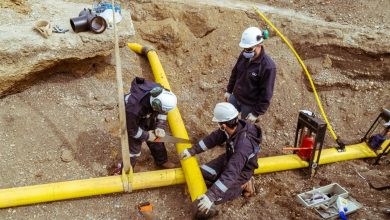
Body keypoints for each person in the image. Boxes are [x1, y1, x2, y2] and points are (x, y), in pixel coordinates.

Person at [180, 102, 262, 218]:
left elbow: (231, 173)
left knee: (211, 200)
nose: (219, 127)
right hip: (229, 159)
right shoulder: (234, 127)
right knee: (201, 172)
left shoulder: (243, 145)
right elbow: (213, 138)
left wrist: (211, 196)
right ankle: (220, 183)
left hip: (241, 171)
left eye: (219, 124)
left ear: (223, 125)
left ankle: (245, 184)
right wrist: (192, 151)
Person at [224, 26, 276, 123]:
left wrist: (256, 113)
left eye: (249, 48)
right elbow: (235, 73)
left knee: (244, 129)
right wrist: (229, 91)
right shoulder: (244, 55)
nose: (246, 51)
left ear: (259, 45)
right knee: (228, 121)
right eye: (245, 48)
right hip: (236, 97)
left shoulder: (268, 67)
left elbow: (266, 94)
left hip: (249, 105)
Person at [123, 77, 177, 169]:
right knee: (134, 148)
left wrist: (160, 126)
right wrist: (147, 136)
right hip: (132, 118)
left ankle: (162, 161)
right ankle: (127, 169)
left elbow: (163, 111)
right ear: (156, 104)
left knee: (157, 139)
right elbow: (132, 130)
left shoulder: (162, 93)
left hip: (147, 111)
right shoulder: (134, 108)